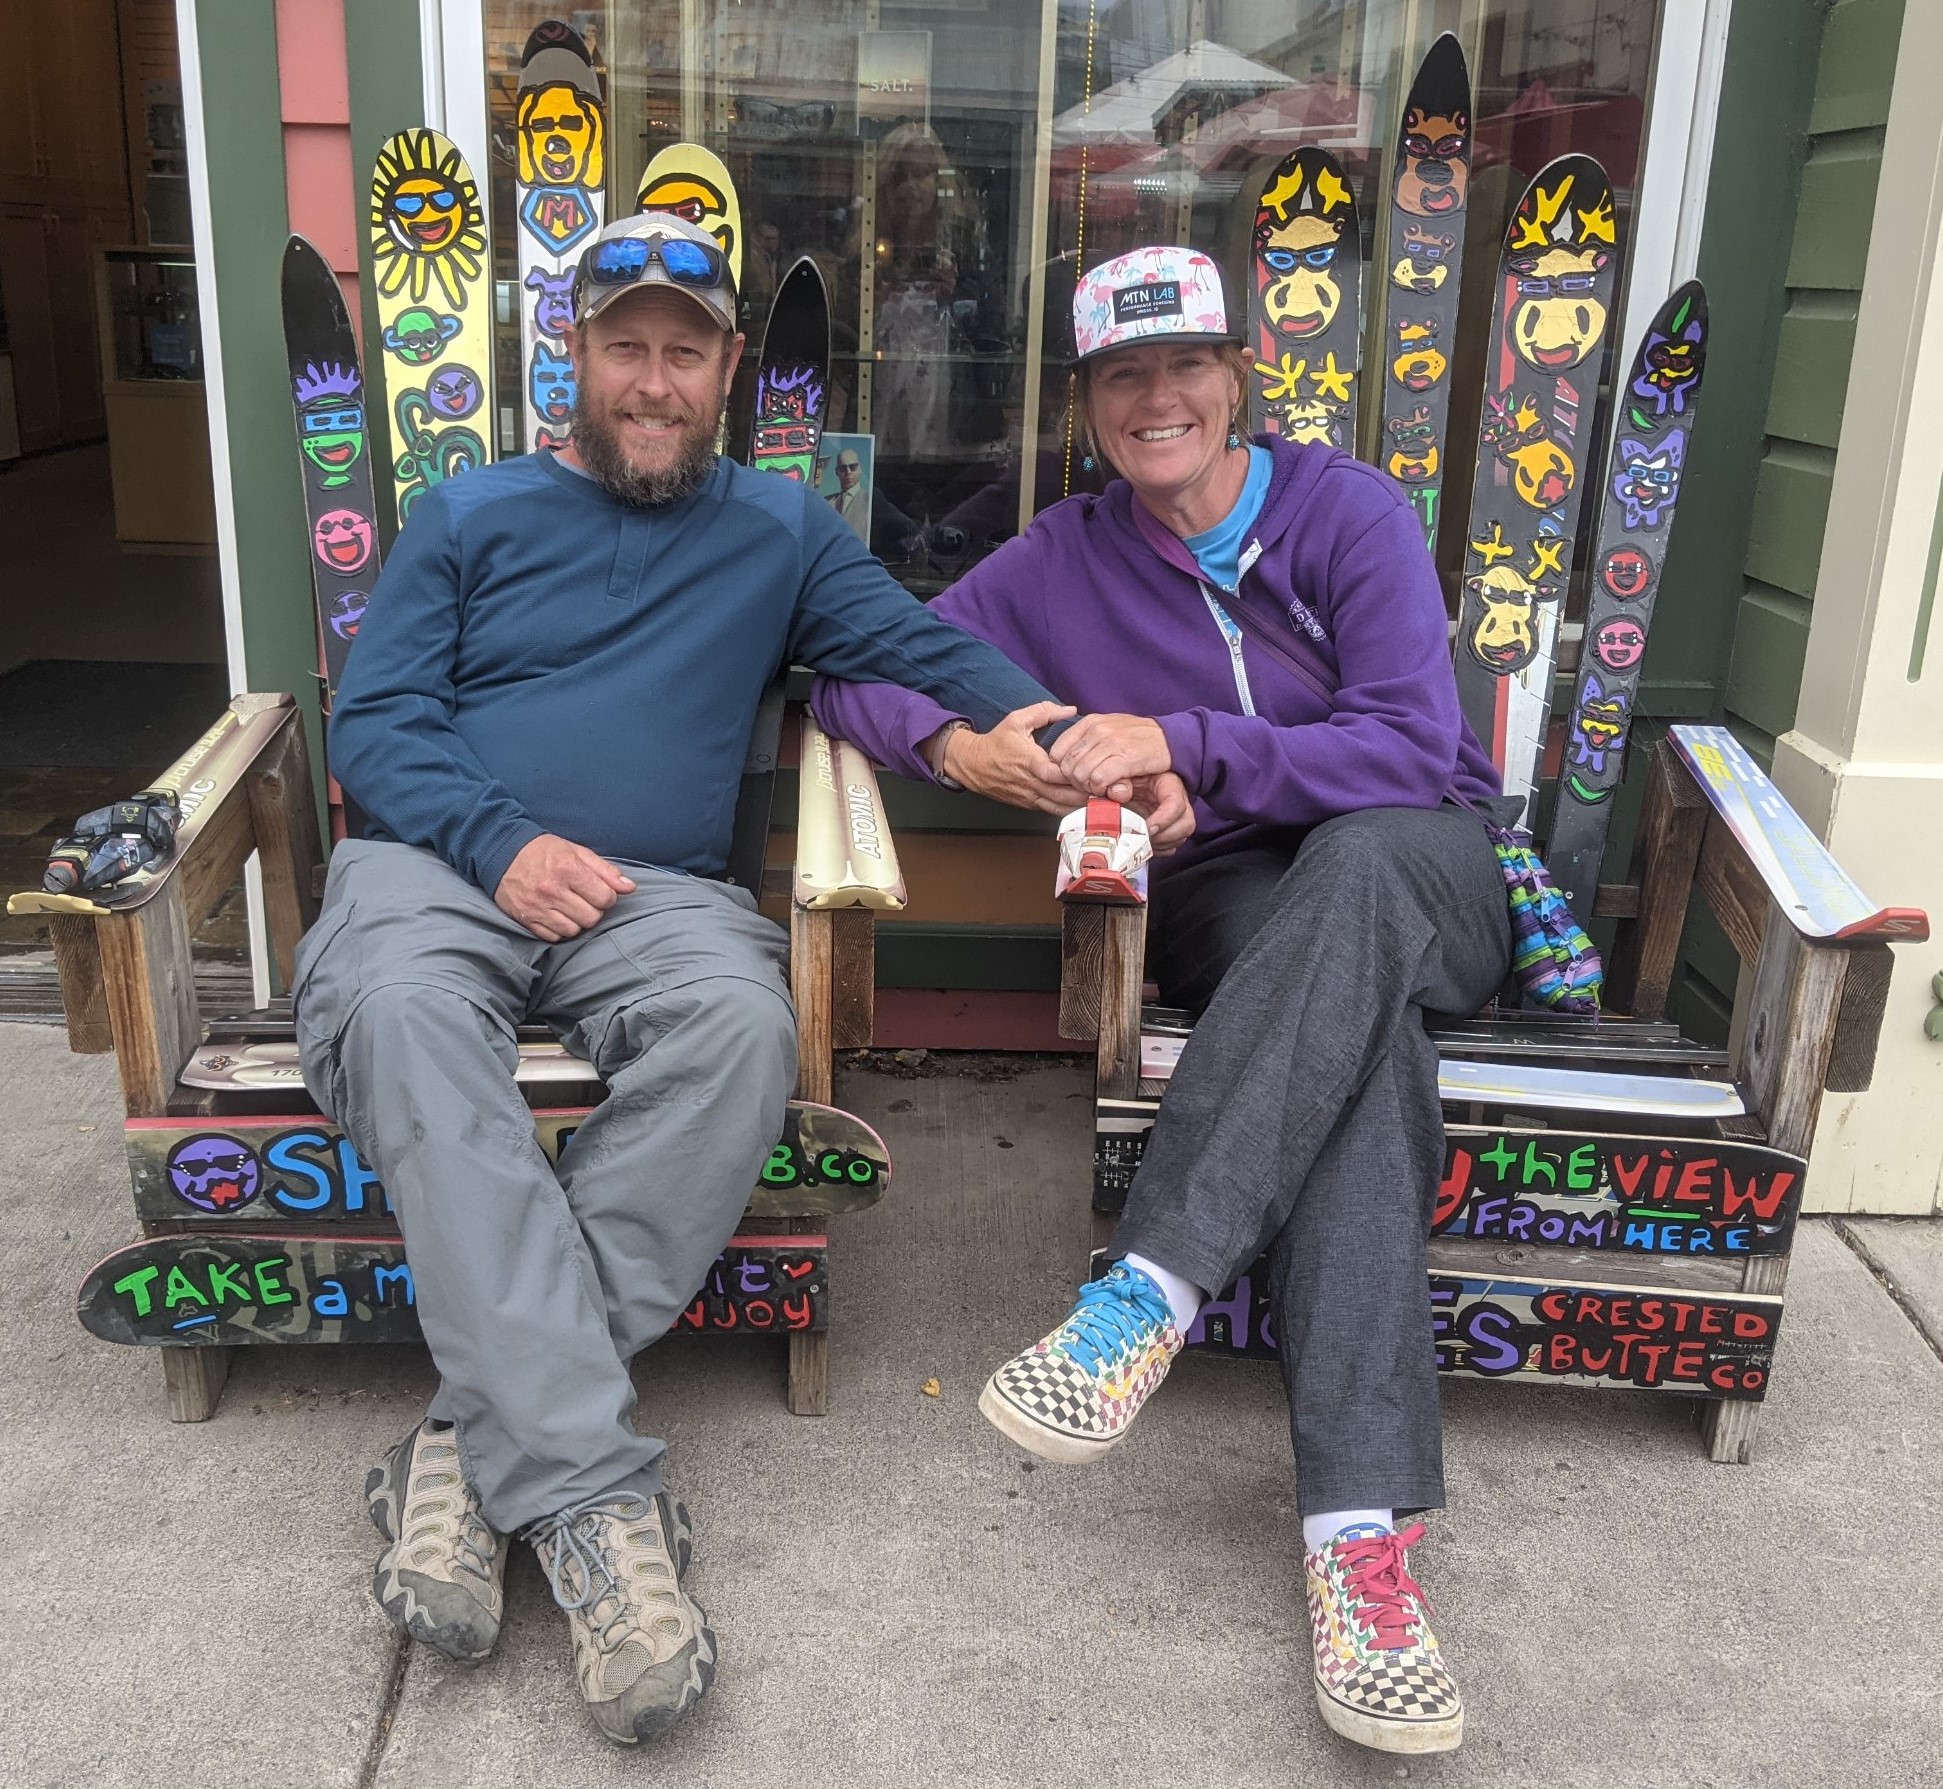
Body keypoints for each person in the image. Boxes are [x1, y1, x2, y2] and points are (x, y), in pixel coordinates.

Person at [300, 214, 1071, 1747]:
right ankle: (593, 1501)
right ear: (574, 359)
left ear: (725, 369)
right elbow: (373, 731)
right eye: (625, 346)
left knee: (738, 1025)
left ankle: (469, 1442)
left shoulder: (778, 534)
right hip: (438, 868)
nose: (654, 380)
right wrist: (501, 840)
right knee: (396, 1020)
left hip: (653, 896)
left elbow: (923, 648)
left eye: (685, 350)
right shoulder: (464, 514)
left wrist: (1070, 730)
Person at [812, 243, 1514, 1757]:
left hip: (1422, 867)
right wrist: (976, 748)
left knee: (1365, 885)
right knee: (1358, 1045)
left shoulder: (1349, 515)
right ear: (1085, 406)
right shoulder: (1063, 559)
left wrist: (1199, 750)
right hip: (1241, 909)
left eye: (1185, 364)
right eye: (1122, 376)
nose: (1159, 399)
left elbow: (1413, 747)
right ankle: (1356, 1544)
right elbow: (854, 670)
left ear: (1239, 375)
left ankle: (1149, 1290)